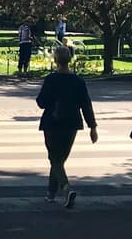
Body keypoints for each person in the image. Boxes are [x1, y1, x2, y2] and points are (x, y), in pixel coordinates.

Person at [36, 45, 98, 208]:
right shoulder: (78, 81)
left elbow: (41, 103)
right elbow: (86, 104)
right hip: (71, 124)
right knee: (59, 159)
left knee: (54, 158)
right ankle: (51, 193)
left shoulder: (51, 79)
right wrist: (92, 127)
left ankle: (66, 188)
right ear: (70, 60)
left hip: (52, 122)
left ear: (55, 61)